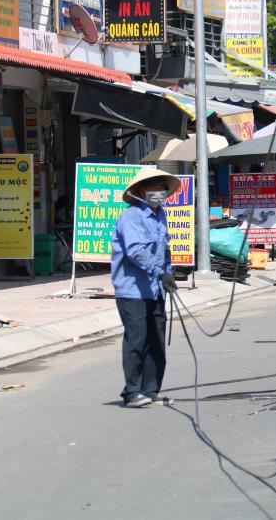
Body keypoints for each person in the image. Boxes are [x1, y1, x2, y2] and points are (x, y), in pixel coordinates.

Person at [111, 167, 181, 408]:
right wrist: (159, 272)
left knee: (156, 341)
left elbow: (164, 251)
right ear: (141, 190)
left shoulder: (160, 215)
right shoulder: (131, 217)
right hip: (133, 290)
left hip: (156, 289)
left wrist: (168, 274)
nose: (158, 193)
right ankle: (132, 392)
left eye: (161, 188)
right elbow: (135, 251)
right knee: (136, 340)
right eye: (153, 188)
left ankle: (151, 390)